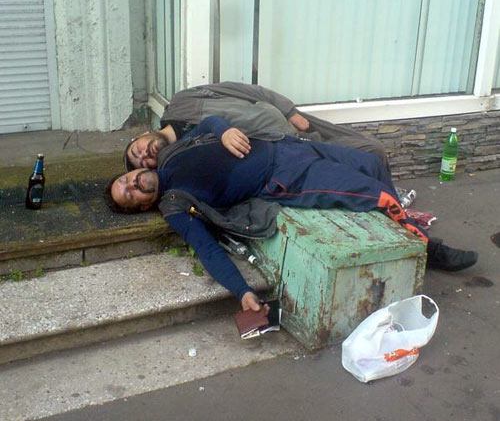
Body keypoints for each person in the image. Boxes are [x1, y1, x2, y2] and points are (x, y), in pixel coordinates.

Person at [106, 116, 478, 313]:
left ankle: (406, 237)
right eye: (130, 195)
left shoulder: (171, 153)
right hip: (288, 178)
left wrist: (224, 131)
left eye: (127, 179)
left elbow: (209, 123)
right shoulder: (174, 203)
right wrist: (242, 292)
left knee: (369, 161)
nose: (134, 183)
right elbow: (206, 248)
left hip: (285, 147)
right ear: (142, 206)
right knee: (375, 195)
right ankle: (431, 250)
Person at [123, 81, 390, 172]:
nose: (145, 156)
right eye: (143, 163)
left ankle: (391, 200)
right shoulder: (185, 155)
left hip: (296, 121)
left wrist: (288, 108)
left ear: (142, 136)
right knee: (372, 151)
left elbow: (244, 89)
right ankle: (391, 206)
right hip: (296, 148)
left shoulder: (183, 102)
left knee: (373, 151)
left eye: (138, 151)